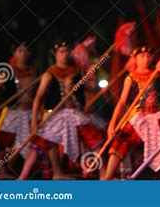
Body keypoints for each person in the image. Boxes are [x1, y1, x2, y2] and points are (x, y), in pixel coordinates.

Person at [18, 41, 105, 180]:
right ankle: (23, 177)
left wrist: (91, 78)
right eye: (61, 51)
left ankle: (104, 176)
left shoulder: (77, 71)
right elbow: (38, 97)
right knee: (38, 143)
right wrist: (34, 120)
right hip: (56, 115)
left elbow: (91, 89)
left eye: (66, 51)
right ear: (55, 54)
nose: (64, 54)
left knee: (95, 140)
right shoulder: (49, 74)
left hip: (75, 115)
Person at [104, 45, 160, 180]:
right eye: (142, 56)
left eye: (148, 56)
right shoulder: (130, 78)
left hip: (157, 115)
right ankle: (107, 179)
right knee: (120, 142)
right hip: (139, 116)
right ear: (135, 59)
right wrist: (112, 124)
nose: (146, 58)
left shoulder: (158, 73)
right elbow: (122, 101)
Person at [0, 43, 38, 179]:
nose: (24, 52)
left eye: (26, 49)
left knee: (26, 143)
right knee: (3, 141)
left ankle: (12, 169)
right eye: (20, 50)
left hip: (29, 113)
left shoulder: (34, 70)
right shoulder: (8, 70)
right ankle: (2, 172)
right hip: (13, 112)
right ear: (14, 53)